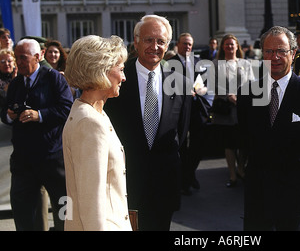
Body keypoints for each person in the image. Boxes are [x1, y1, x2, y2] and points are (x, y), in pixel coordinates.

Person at [237, 26, 300, 231]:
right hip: (258, 192)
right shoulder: (247, 94)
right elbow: (243, 138)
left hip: (295, 193)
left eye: (281, 50)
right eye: (269, 51)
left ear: (293, 53)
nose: (275, 57)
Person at [104, 15, 191, 231]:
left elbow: (181, 131)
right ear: (136, 41)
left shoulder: (180, 82)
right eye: (148, 40)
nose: (155, 46)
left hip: (164, 185)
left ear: (168, 44)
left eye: (161, 41)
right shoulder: (115, 79)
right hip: (124, 184)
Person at [0, 38, 73, 231]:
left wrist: (39, 115)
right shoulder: (15, 84)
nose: (19, 62)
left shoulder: (53, 78)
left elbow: (67, 109)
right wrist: (9, 115)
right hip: (24, 160)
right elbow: (5, 111)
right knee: (24, 209)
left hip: (52, 157)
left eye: (23, 58)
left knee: (64, 207)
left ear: (37, 56)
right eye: (17, 58)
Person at [62, 35, 131, 231]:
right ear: (101, 70)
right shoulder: (90, 122)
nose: (124, 77)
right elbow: (91, 202)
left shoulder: (94, 114)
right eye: (121, 69)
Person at [170, 33, 210, 195]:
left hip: (196, 108)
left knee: (198, 145)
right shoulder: (170, 63)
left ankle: (190, 173)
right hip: (179, 110)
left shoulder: (198, 62)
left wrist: (199, 89)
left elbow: (206, 82)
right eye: (185, 44)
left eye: (190, 44)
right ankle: (184, 179)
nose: (187, 47)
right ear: (178, 45)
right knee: (181, 146)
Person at [212, 34, 254, 188]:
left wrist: (243, 98)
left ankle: (241, 169)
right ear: (223, 47)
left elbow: (251, 83)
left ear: (237, 46)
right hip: (225, 109)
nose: (230, 47)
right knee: (229, 143)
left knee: (242, 142)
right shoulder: (216, 64)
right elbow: (213, 84)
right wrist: (228, 95)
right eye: (227, 44)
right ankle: (232, 174)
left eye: (232, 44)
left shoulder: (245, 63)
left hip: (242, 108)